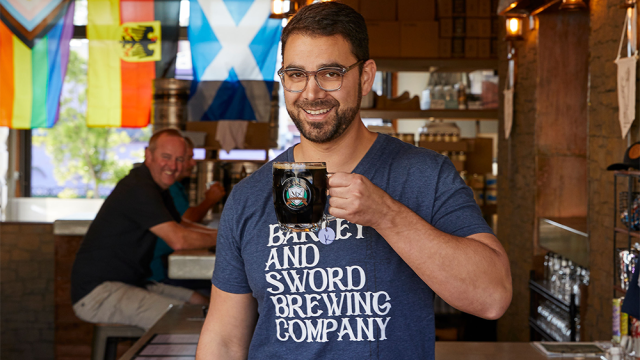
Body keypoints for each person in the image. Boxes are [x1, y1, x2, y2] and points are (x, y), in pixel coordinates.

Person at [197, 3, 512, 359]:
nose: (311, 93)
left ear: (365, 77)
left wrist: (387, 215)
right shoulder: (248, 197)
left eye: (330, 73)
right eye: (296, 74)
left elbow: (493, 297)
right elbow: (223, 340)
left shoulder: (425, 174)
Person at [71, 128, 218, 330]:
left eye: (180, 159)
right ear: (148, 154)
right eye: (166, 157)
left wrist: (226, 234)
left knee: (201, 302)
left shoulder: (158, 187)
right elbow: (179, 240)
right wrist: (229, 237)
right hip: (98, 293)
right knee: (187, 320)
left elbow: (183, 225)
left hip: (132, 283)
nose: (173, 166)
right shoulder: (138, 187)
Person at [148, 136, 225, 284]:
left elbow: (182, 222)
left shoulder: (170, 187)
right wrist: (210, 200)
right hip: (154, 273)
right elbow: (186, 224)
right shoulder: (161, 187)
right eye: (187, 158)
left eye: (181, 159)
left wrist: (223, 234)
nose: (193, 163)